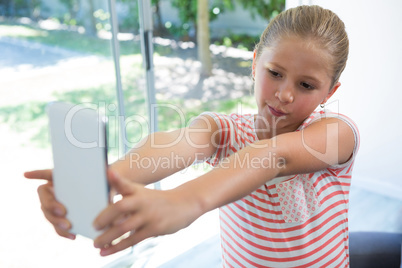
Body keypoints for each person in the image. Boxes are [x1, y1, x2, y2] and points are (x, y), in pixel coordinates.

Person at [25, 5, 360, 267]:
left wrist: (184, 200)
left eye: (305, 85)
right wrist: (100, 181)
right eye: (275, 73)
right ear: (255, 64)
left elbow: (272, 156)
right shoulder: (226, 130)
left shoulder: (337, 133)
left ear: (330, 91)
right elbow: (178, 142)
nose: (285, 94)